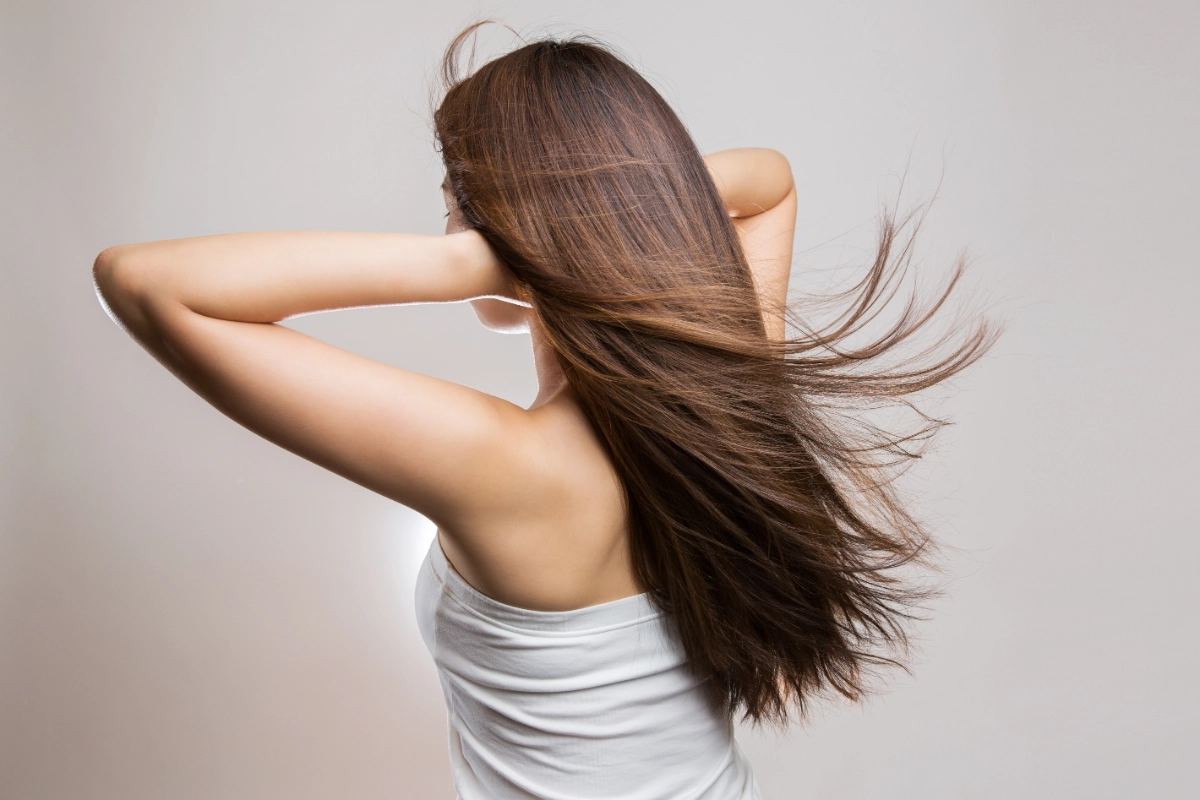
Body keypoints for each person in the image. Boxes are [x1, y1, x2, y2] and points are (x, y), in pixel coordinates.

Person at [92, 24, 996, 800]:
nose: (453, 229)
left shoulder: (508, 466)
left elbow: (147, 285)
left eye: (454, 207)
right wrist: (601, 218)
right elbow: (768, 184)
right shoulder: (720, 399)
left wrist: (474, 263)